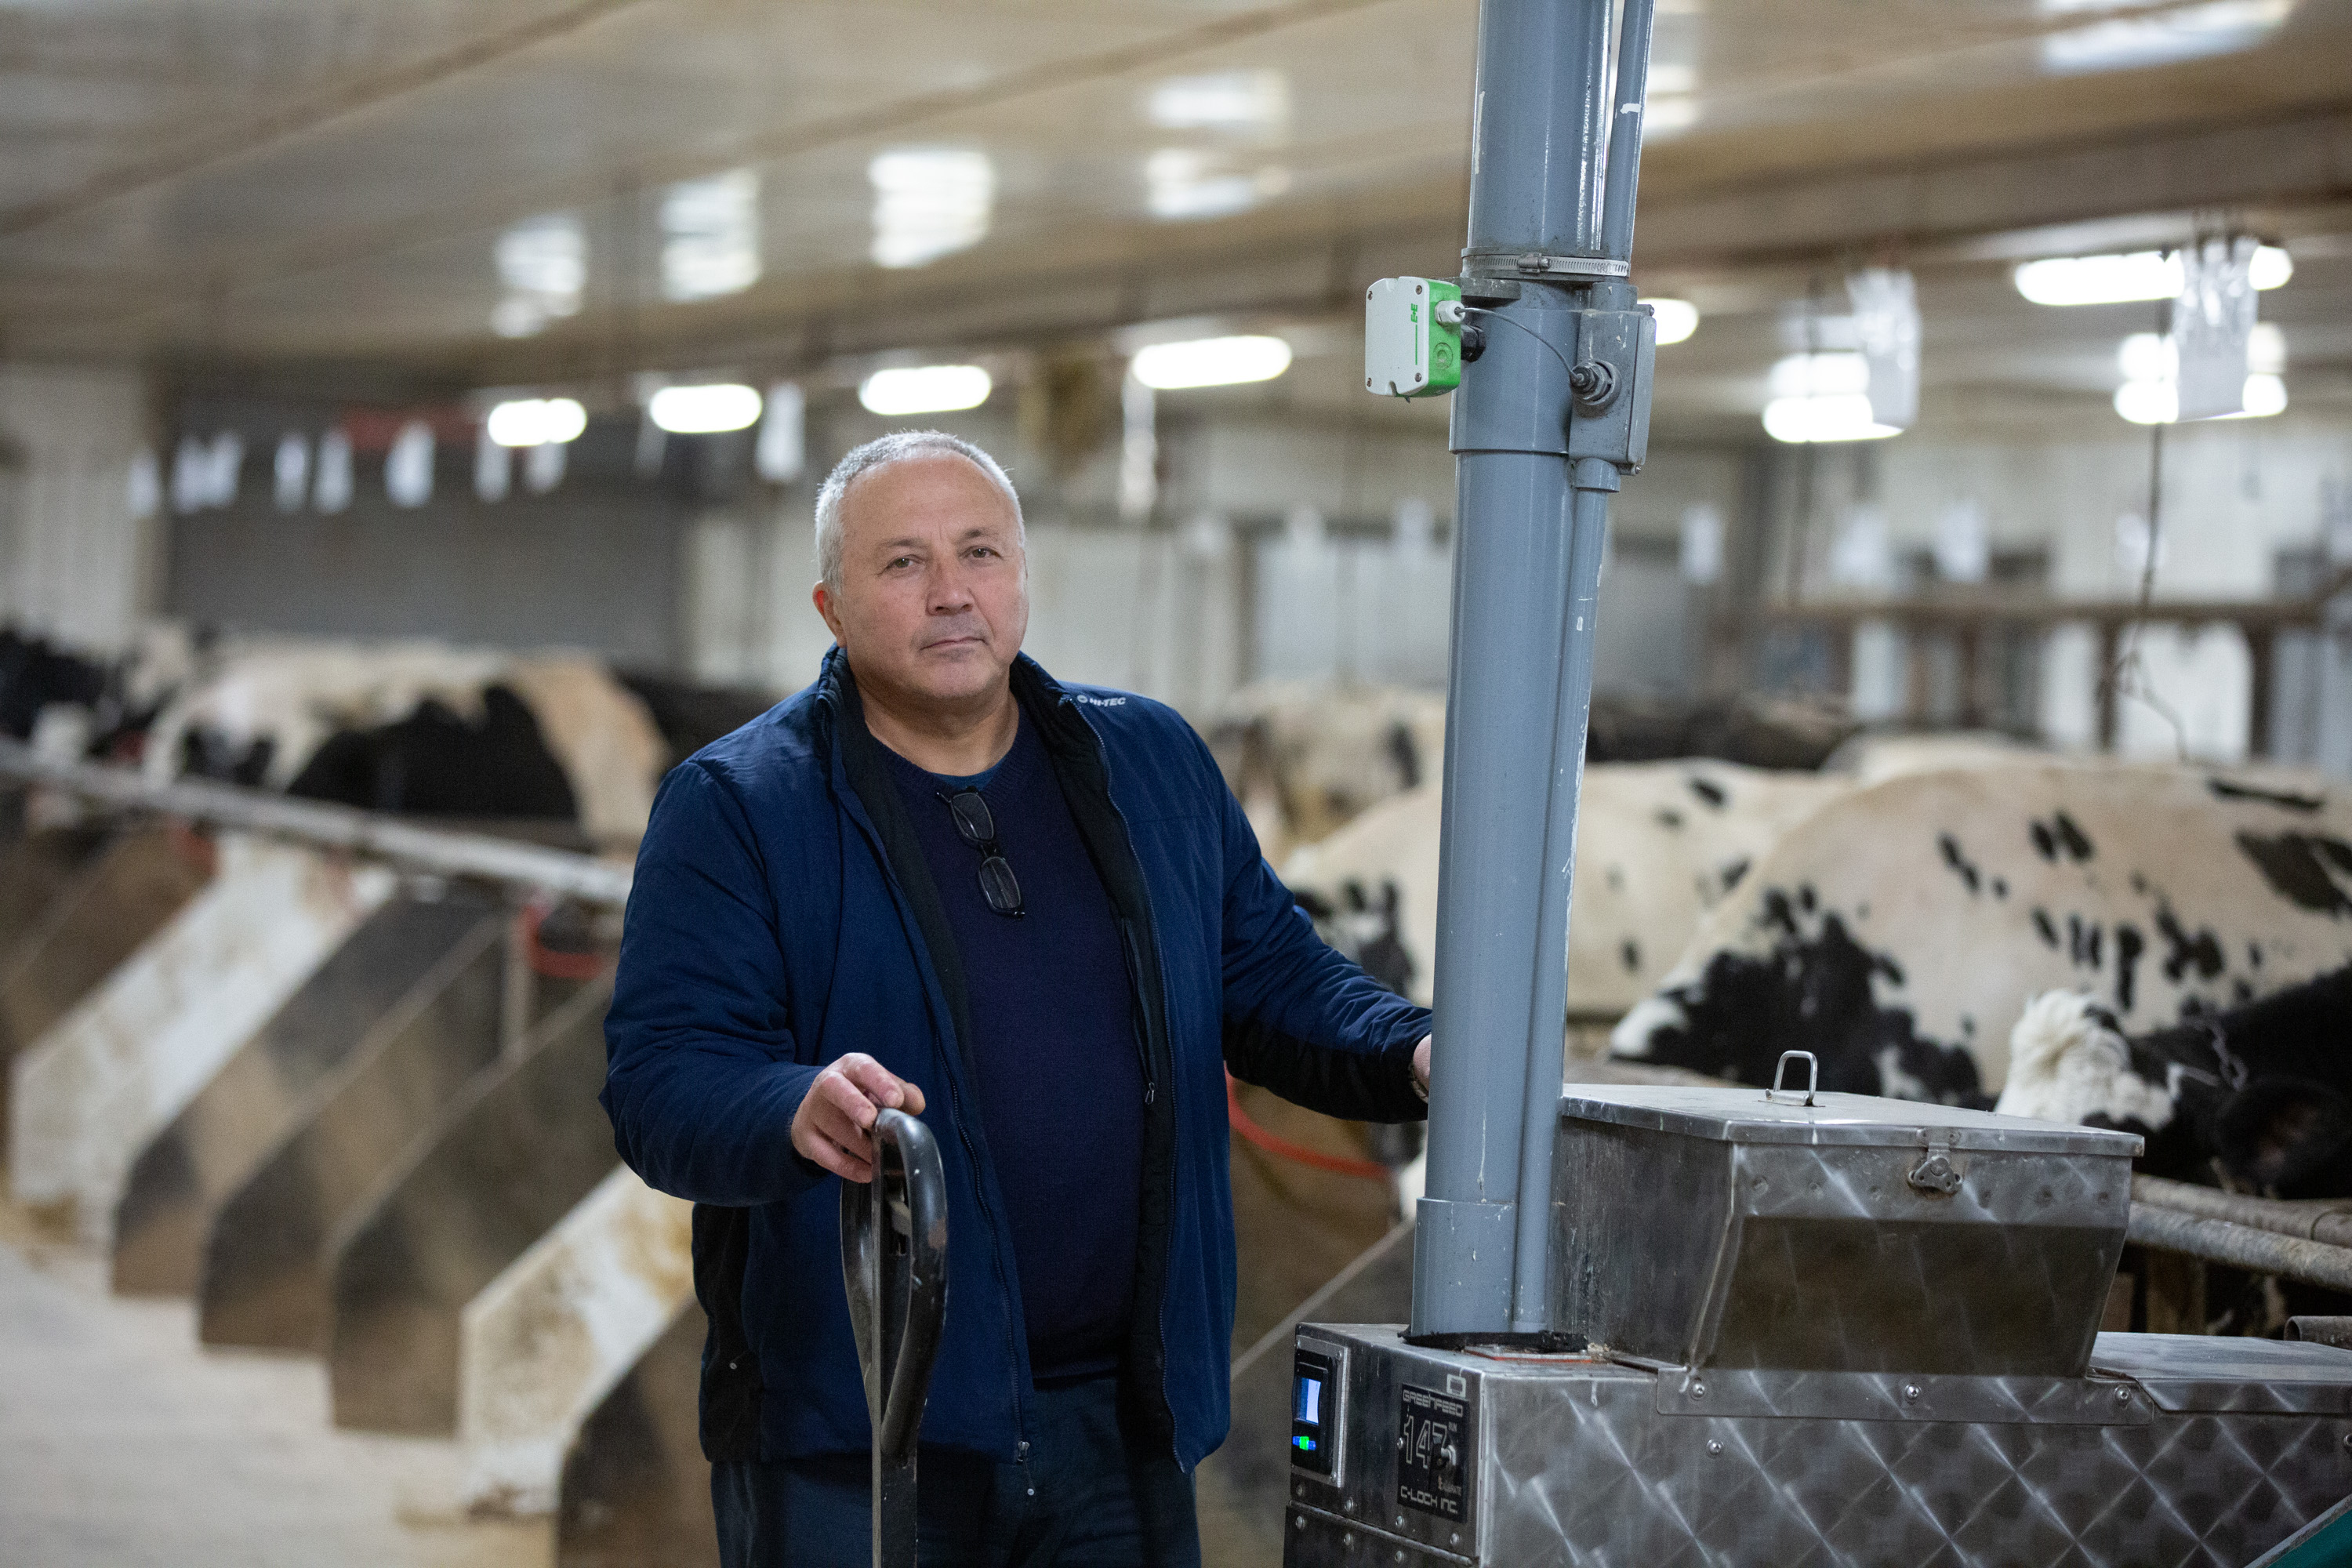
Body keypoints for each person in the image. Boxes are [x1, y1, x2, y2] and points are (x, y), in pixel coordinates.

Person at [601, 430, 1432, 1566]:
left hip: (1120, 1420)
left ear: (1023, 576)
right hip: (866, 1432)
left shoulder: (1150, 763)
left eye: (980, 552)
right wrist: (789, 1107)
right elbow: (661, 1082)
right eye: (902, 564)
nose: (952, 594)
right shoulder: (740, 807)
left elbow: (1274, 975)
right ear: (831, 606)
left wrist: (1416, 1051)